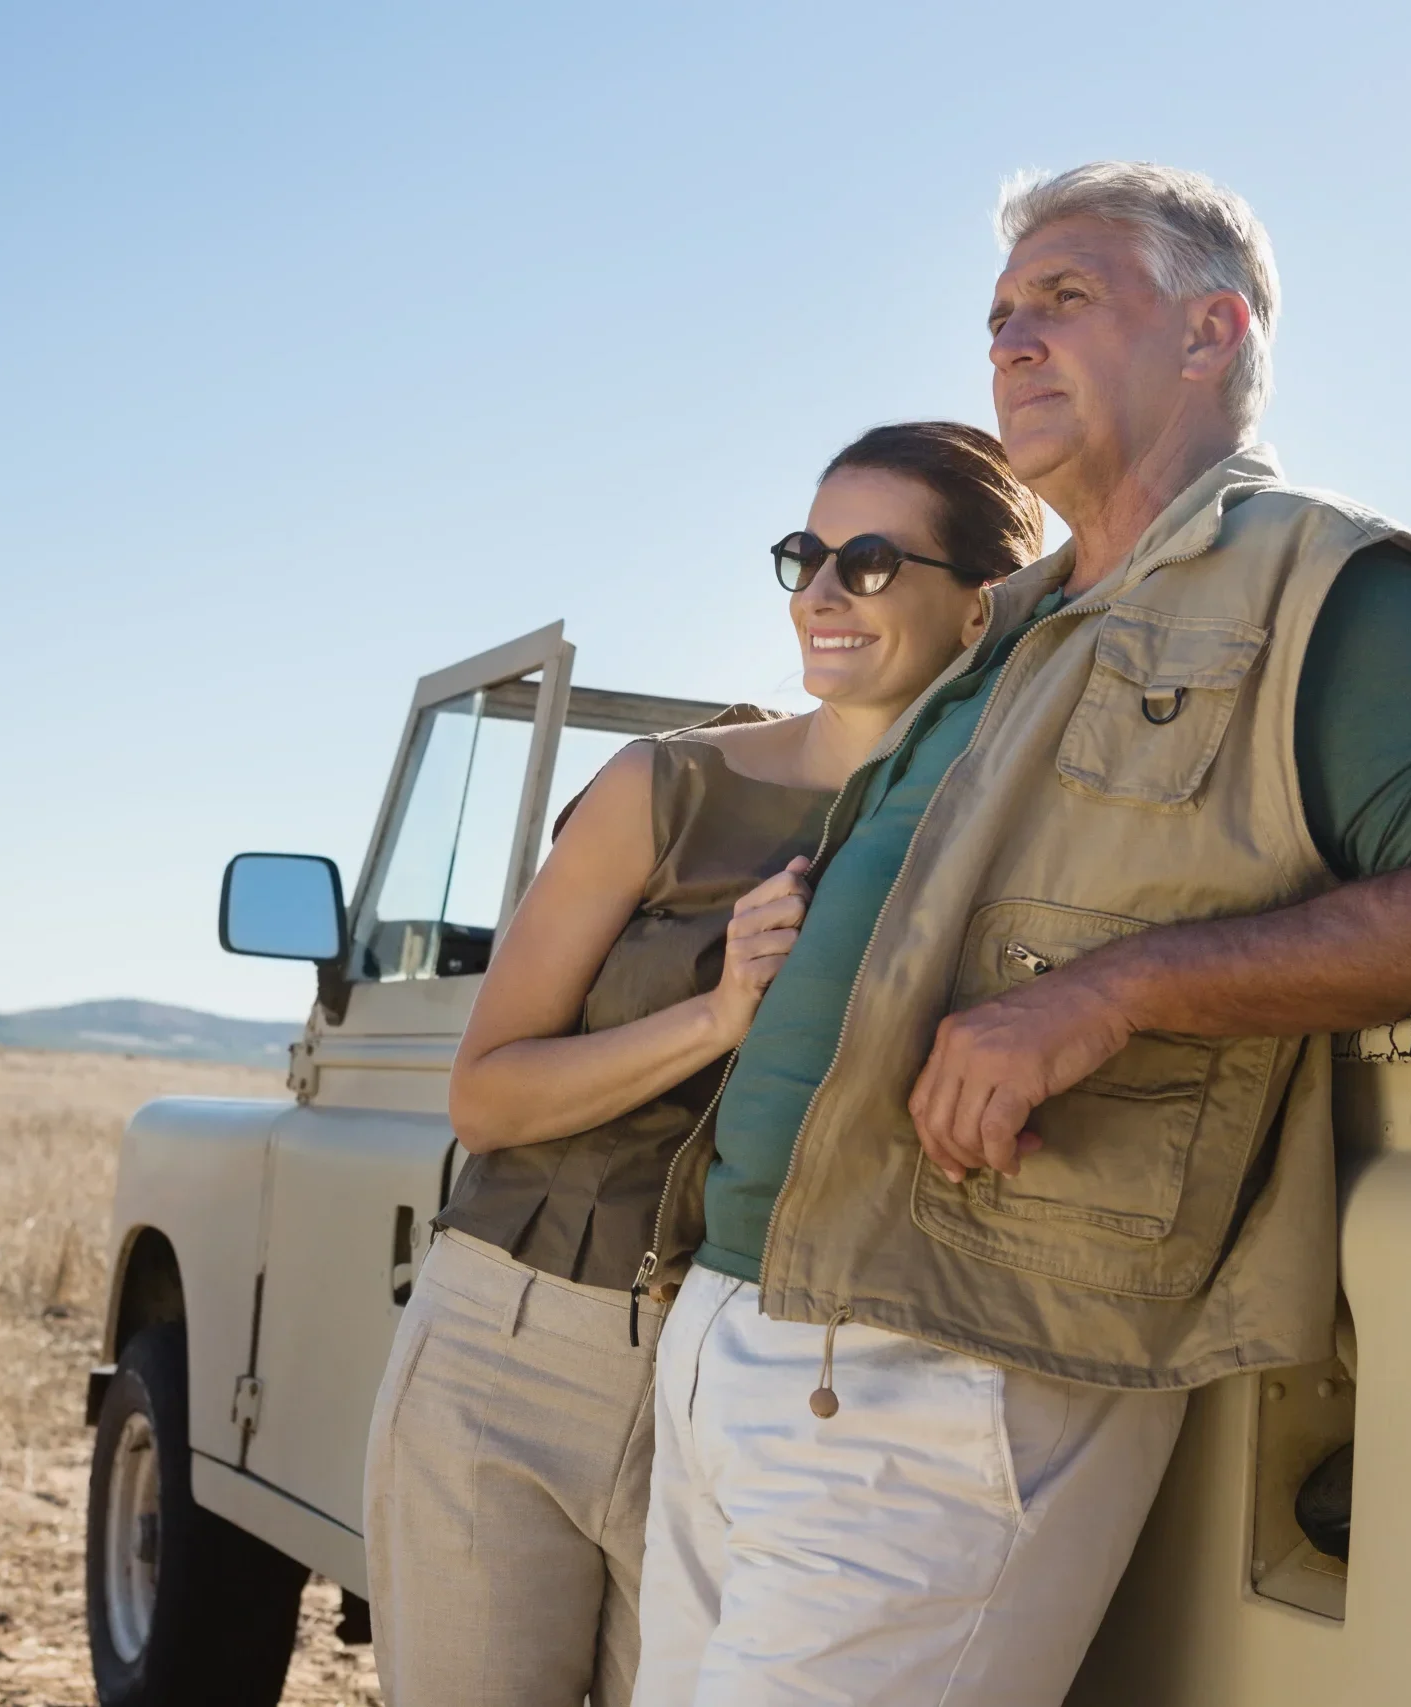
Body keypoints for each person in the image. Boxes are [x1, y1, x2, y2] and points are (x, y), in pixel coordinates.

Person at [633, 161, 1411, 1707]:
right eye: (1001, 315)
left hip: (942, 1365)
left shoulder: (1314, 576)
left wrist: (1118, 991)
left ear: (1213, 330)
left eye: (1067, 300)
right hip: (737, 1323)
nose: (1012, 341)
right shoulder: (1005, 623)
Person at [361, 423, 1048, 1707]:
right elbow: (487, 1091)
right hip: (519, 1351)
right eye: (806, 556)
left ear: (978, 614)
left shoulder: (1001, 851)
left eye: (872, 560)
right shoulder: (664, 789)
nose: (822, 592)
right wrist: (714, 1016)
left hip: (773, 1402)